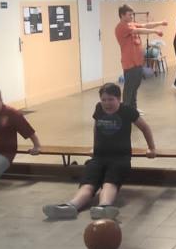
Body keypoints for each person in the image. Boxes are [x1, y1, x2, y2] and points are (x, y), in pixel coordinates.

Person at [43, 83, 156, 221]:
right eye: (104, 99)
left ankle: (104, 206)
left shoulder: (127, 111)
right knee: (89, 183)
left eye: (110, 99)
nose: (107, 103)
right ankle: (71, 206)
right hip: (99, 157)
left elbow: (145, 128)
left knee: (110, 182)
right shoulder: (99, 108)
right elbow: (96, 127)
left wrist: (151, 148)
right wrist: (94, 146)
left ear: (119, 99)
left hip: (120, 158)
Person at [115, 5, 167, 112]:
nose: (131, 17)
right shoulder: (122, 27)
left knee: (135, 87)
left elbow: (145, 25)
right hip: (130, 63)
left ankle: (133, 109)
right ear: (122, 15)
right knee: (129, 89)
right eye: (129, 15)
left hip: (138, 62)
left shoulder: (131, 24)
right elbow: (140, 30)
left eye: (132, 14)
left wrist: (161, 23)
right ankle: (126, 111)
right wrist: (155, 31)